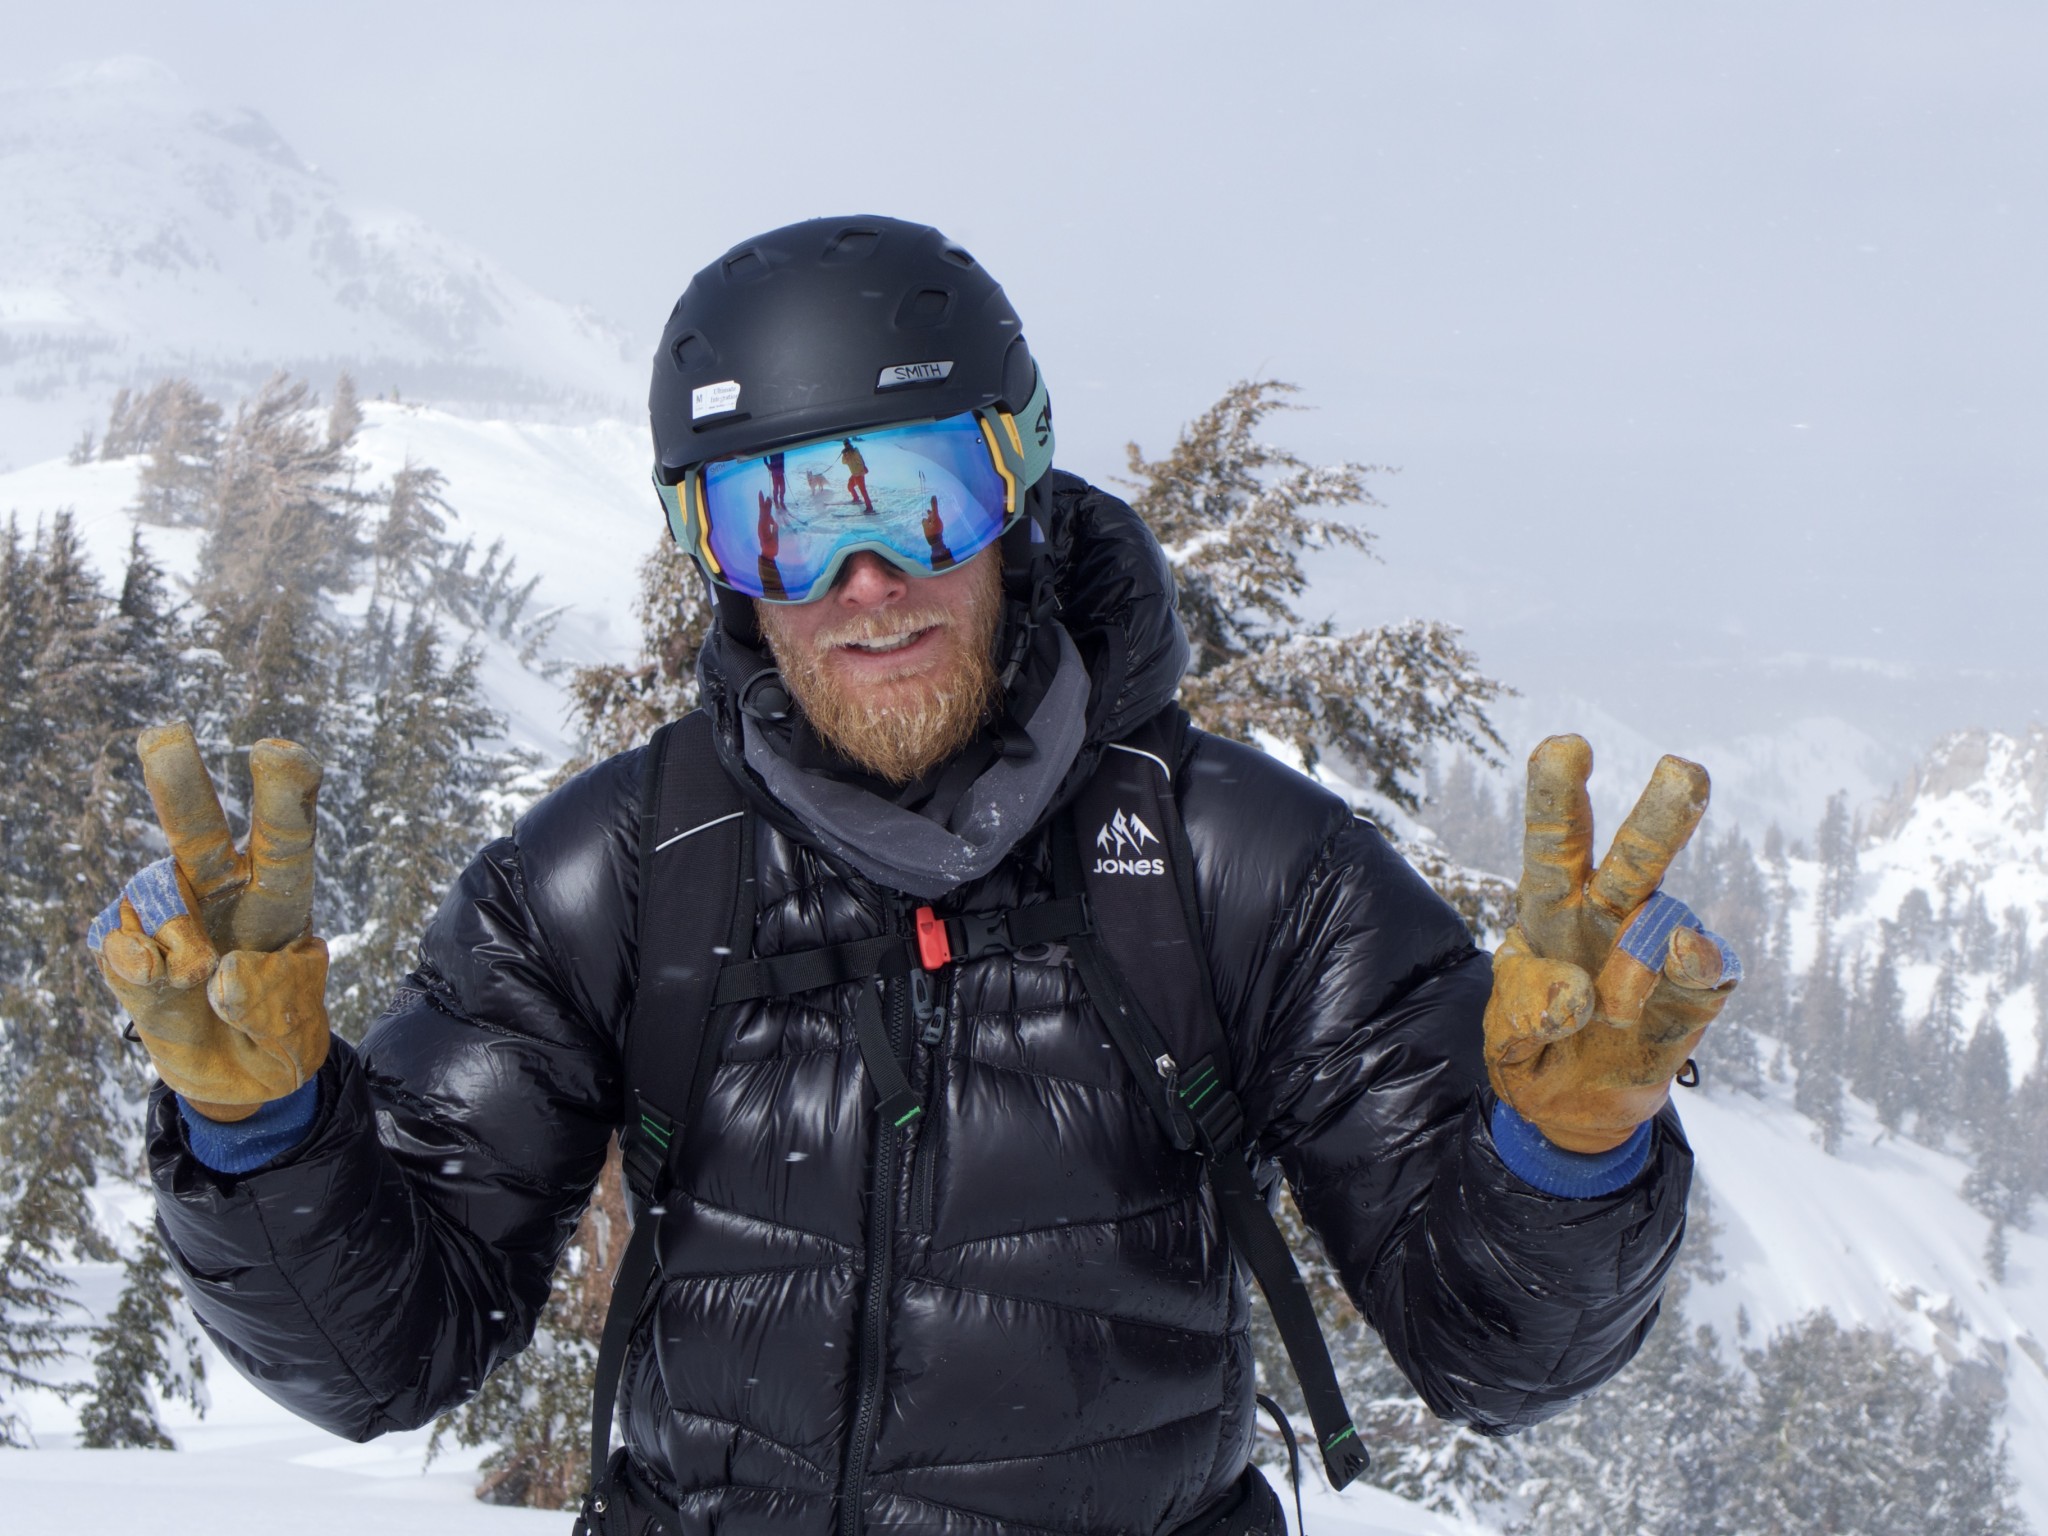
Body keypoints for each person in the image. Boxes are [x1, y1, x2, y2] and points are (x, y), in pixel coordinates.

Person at [94, 217, 1735, 1536]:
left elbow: (1493, 1355)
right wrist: (266, 1135)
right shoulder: (620, 874)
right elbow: (384, 1358)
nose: (863, 581)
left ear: (1016, 489)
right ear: (716, 563)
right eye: (781, 521)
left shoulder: (1235, 864)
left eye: (915, 497)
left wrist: (1567, 1158)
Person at [840, 435, 874, 511]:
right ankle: (856, 498)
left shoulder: (855, 451)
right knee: (850, 486)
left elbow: (860, 461)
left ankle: (869, 508)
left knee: (863, 491)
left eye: (847, 443)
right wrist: (844, 455)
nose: (846, 445)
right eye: (845, 444)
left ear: (849, 443)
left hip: (859, 474)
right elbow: (843, 462)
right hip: (854, 475)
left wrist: (861, 472)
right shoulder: (847, 454)